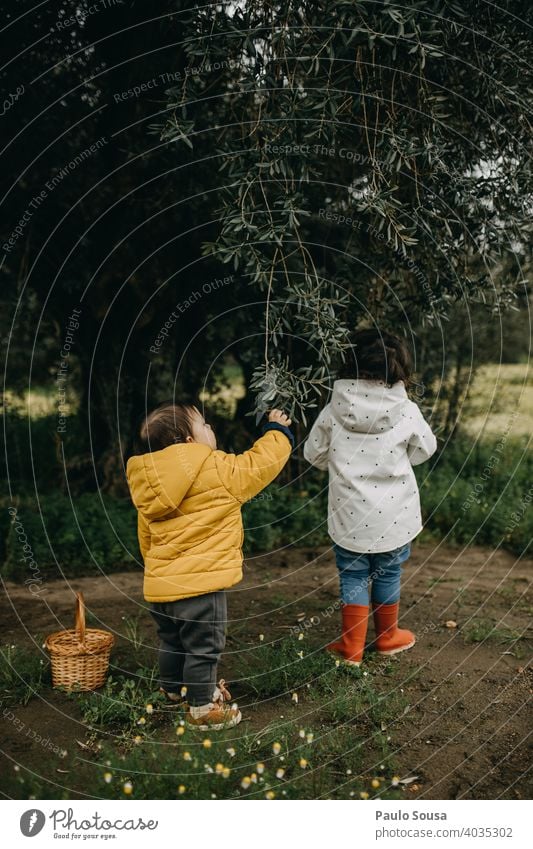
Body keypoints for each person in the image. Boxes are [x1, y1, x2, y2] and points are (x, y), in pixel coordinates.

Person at [126, 401, 293, 729]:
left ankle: (173, 690)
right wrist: (277, 431)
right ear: (190, 441)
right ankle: (202, 707)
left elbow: (146, 537)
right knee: (204, 647)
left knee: (173, 641)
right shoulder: (216, 468)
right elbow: (260, 464)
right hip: (200, 589)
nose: (211, 428)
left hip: (160, 589)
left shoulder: (150, 482)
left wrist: (159, 572)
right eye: (204, 424)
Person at [303, 329, 437, 666]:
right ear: (399, 370)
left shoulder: (334, 410)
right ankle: (388, 638)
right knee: (389, 573)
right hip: (395, 516)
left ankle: (352, 649)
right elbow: (425, 449)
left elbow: (313, 454)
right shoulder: (405, 410)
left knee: (353, 575)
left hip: (348, 517)